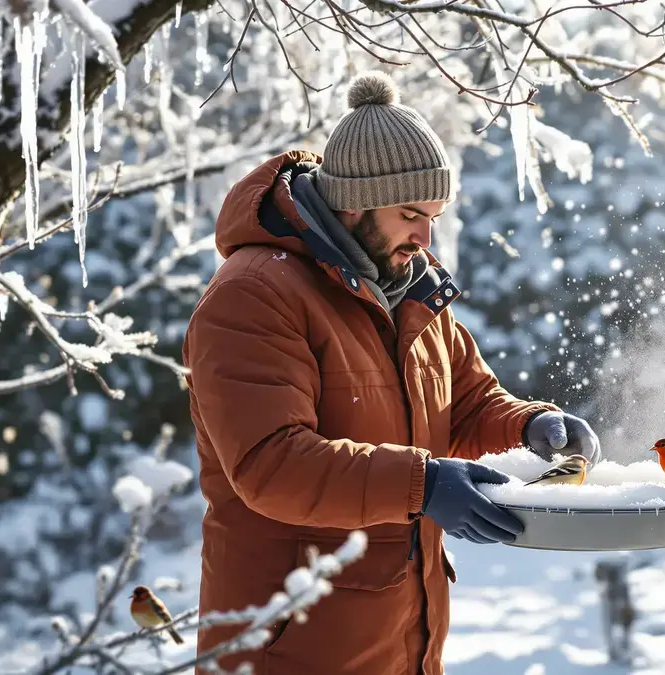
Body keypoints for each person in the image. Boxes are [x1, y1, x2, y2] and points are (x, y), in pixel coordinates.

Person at [182, 70, 602, 674]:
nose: (425, 237)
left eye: (434, 215)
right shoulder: (254, 294)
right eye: (410, 214)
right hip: (286, 650)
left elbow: (465, 404)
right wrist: (421, 485)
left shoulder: (411, 288)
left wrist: (530, 425)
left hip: (403, 645)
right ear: (354, 202)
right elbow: (271, 464)